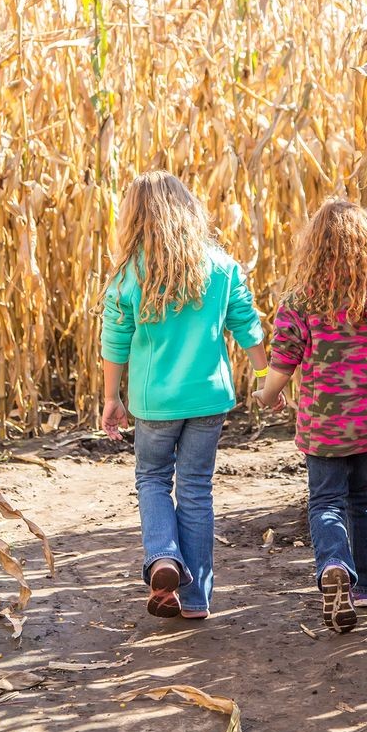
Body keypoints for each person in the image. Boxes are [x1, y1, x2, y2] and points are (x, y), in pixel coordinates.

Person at [100, 171, 271, 620]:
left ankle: (162, 559)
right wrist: (265, 374)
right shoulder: (221, 267)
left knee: (153, 479)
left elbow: (115, 342)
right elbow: (246, 323)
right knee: (196, 490)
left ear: (135, 217)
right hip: (209, 399)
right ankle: (195, 600)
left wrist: (111, 397)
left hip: (154, 403)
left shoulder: (127, 276)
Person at [254, 199, 367, 634]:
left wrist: (267, 395)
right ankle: (365, 588)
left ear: (315, 248)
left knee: (326, 501)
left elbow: (282, 364)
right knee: (363, 499)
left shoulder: (299, 304)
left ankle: (333, 568)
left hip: (323, 425)